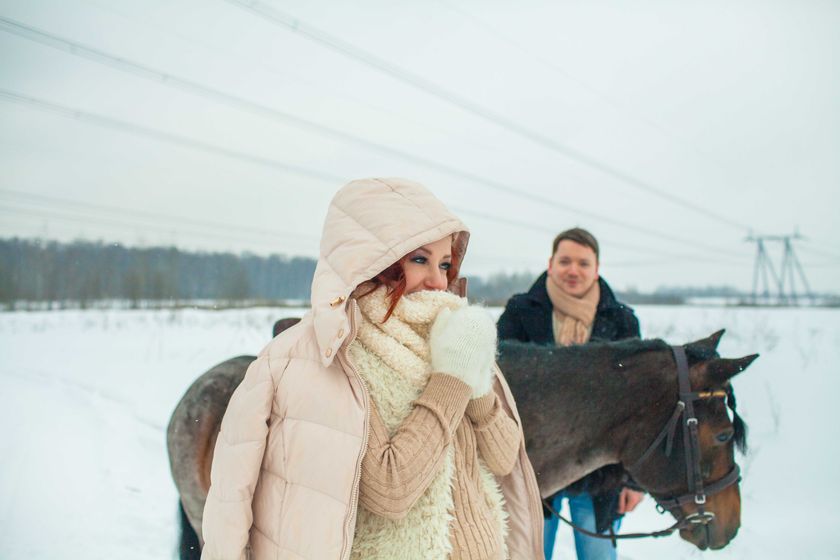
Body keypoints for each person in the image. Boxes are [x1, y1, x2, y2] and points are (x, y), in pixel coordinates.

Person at [201, 178, 545, 560]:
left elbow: (503, 458)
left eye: (445, 264)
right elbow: (391, 490)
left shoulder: (452, 336)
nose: (437, 280)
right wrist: (451, 381)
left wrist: (474, 380)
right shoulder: (333, 355)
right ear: (375, 261)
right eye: (419, 259)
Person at [496, 227, 644, 560]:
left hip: (600, 473)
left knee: (597, 555)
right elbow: (498, 388)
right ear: (550, 264)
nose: (573, 270)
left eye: (582, 263)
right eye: (565, 261)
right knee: (527, 554)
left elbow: (636, 409)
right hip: (532, 465)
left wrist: (633, 481)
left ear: (597, 268)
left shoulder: (621, 321)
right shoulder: (520, 312)